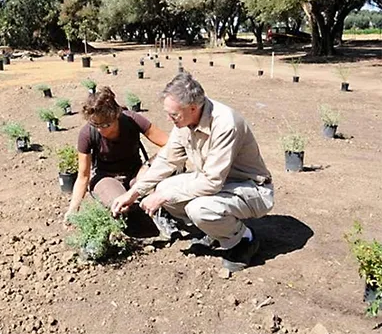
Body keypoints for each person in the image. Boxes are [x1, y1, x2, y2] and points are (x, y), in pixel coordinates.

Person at [111, 72, 274, 272]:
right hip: (220, 184)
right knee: (164, 187)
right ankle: (217, 230)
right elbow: (167, 160)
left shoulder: (225, 124)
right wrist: (133, 193)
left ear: (193, 108)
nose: (169, 119)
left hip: (250, 188)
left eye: (174, 115)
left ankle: (244, 240)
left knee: (198, 208)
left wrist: (162, 196)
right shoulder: (185, 121)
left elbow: (212, 182)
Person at [64, 87, 169, 222]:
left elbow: (169, 144)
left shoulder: (132, 120)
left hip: (135, 175)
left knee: (166, 176)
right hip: (106, 178)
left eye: (106, 125)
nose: (100, 129)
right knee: (121, 207)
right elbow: (83, 176)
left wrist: (147, 166)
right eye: (96, 124)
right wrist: (73, 210)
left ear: (116, 115)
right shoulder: (87, 134)